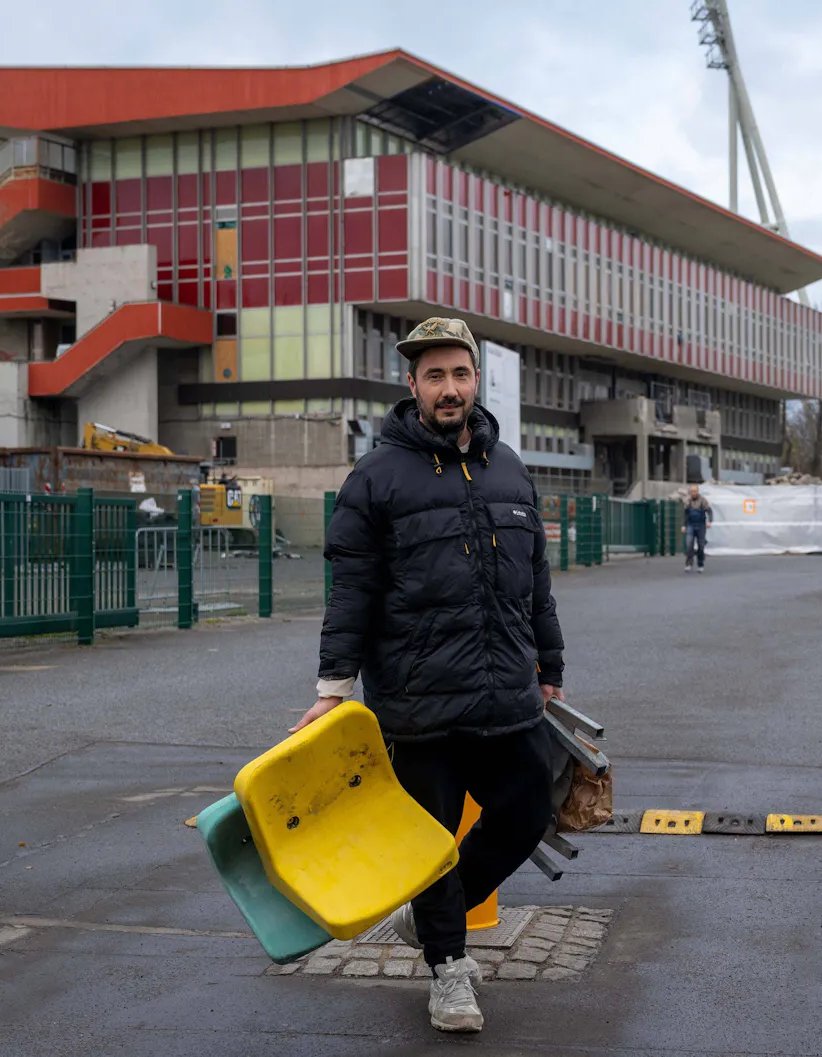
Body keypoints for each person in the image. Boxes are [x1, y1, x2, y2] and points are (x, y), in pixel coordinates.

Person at [297, 316, 564, 1035]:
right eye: (434, 375)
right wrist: (333, 688)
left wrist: (551, 665)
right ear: (412, 384)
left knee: (526, 811)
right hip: (418, 701)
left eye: (460, 373)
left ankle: (427, 915)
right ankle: (449, 969)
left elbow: (534, 578)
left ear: (476, 379)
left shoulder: (509, 466)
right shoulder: (376, 477)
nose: (450, 388)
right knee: (430, 838)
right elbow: (349, 590)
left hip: (506, 687)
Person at [684, 483, 713, 572]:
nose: (693, 493)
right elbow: (685, 514)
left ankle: (700, 564)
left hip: (701, 526)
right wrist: (683, 525)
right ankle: (689, 563)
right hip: (690, 525)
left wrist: (709, 521)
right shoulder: (688, 501)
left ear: (698, 492)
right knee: (689, 544)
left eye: (695, 491)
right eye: (692, 491)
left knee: (701, 546)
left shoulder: (703, 501)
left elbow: (709, 511)